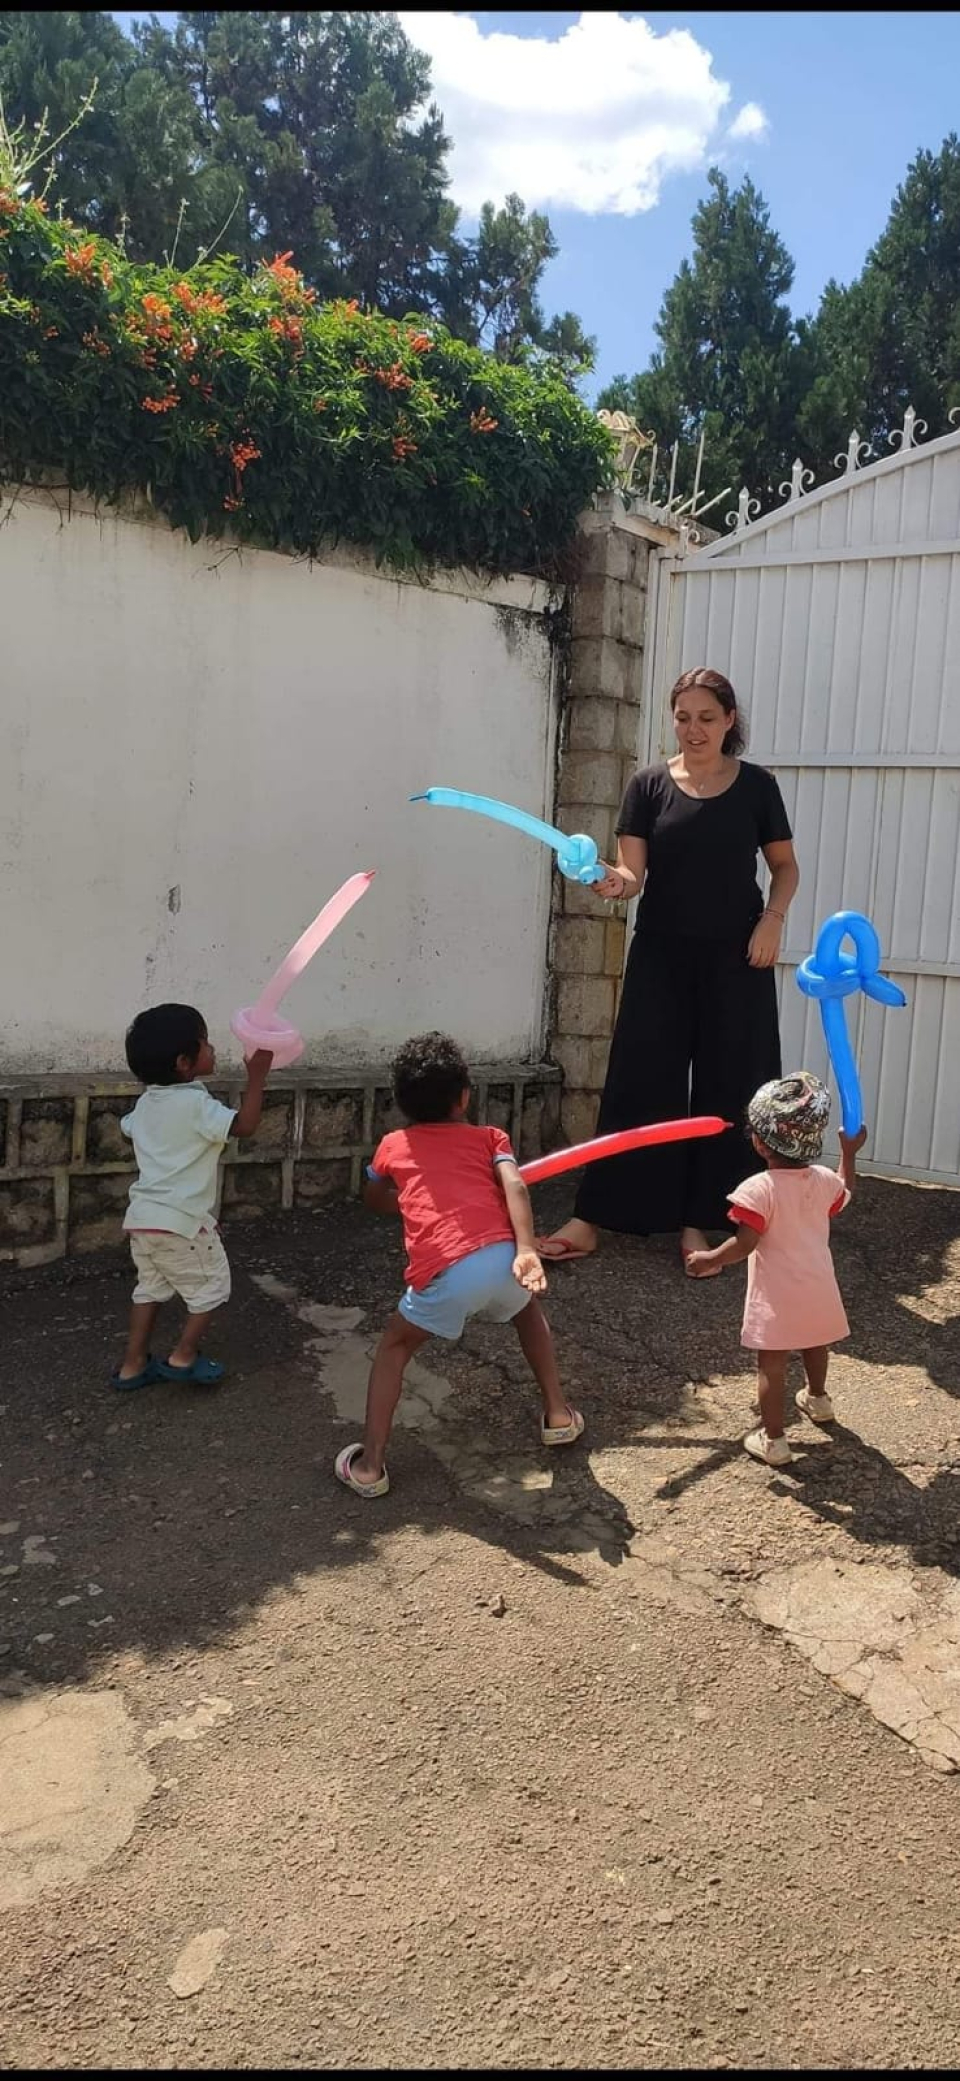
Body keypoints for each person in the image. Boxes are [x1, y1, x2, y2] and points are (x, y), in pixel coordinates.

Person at [539, 666, 800, 1273]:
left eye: (706, 717)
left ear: (729, 720)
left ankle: (705, 1218)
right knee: (640, 1081)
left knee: (729, 1086)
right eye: (683, 717)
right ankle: (595, 1215)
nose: (693, 729)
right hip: (661, 954)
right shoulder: (648, 785)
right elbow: (632, 875)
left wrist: (773, 920)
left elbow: (785, 867)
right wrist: (610, 881)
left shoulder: (758, 787)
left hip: (738, 956)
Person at [334, 1031, 583, 1498]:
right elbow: (515, 1186)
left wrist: (409, 1201)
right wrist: (526, 1248)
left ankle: (370, 1466)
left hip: (448, 1268)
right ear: (465, 1096)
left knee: (395, 1348)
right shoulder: (490, 1138)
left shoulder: (393, 1145)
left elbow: (374, 1197)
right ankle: (558, 1414)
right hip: (505, 1257)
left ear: (401, 1103)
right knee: (527, 1311)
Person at [685, 1071, 867, 1466]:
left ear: (761, 1142)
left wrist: (710, 1258)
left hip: (777, 1296)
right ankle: (818, 1399)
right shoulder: (822, 1181)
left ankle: (774, 1440)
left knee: (772, 1365)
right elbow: (845, 1190)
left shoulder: (759, 1189)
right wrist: (849, 1153)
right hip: (819, 1287)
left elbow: (745, 1243)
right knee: (816, 1344)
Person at [112, 1003, 272, 1390]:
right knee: (213, 1287)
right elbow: (245, 1126)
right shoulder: (196, 1105)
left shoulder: (148, 1101)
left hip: (143, 1221)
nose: (212, 1048)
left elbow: (127, 1128)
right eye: (205, 1043)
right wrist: (257, 1077)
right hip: (181, 1223)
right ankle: (183, 1355)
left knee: (149, 1289)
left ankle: (133, 1364)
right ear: (184, 1063)